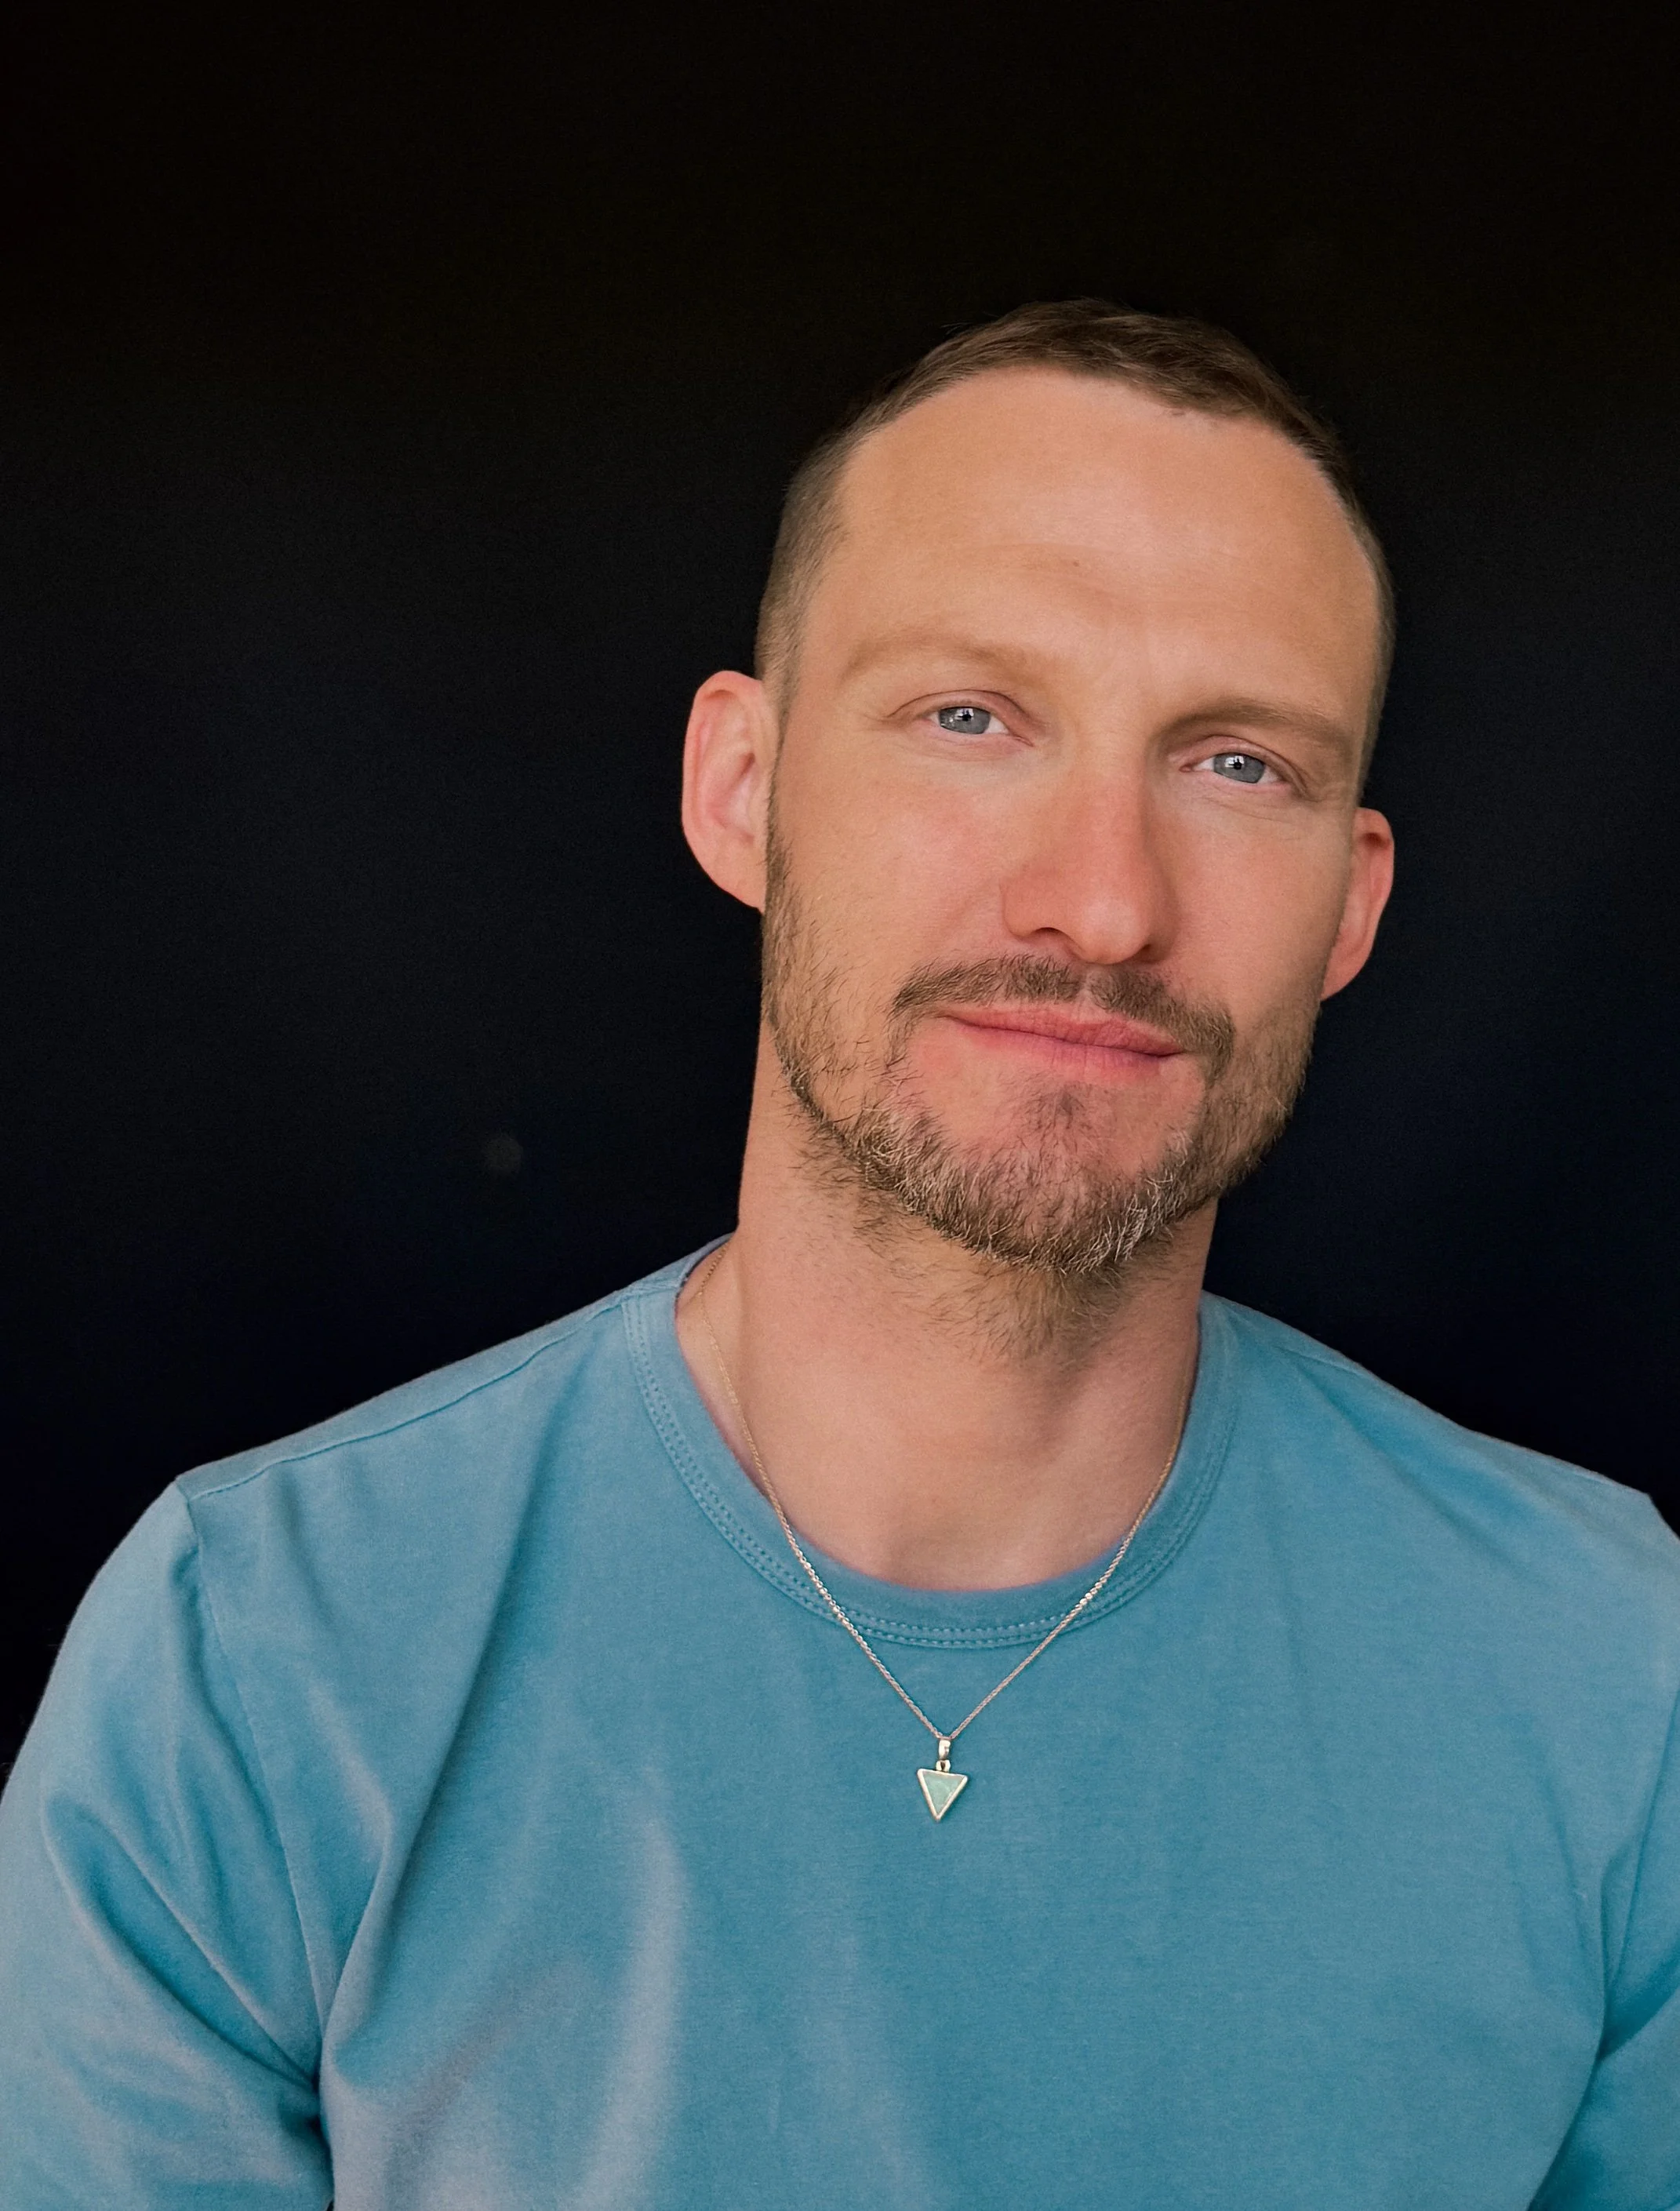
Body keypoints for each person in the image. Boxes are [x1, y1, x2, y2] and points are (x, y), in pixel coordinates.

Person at [2, 300, 1676, 2211]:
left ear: (1351, 904)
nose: (1104, 902)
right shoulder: (260, 1652)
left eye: (1236, 766)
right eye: (972, 717)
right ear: (744, 788)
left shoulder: (1618, 1678)